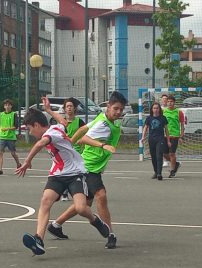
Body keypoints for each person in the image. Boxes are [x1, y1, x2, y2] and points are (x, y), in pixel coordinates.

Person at [16, 97, 110, 256]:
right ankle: (39, 239)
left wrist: (26, 161)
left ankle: (96, 221)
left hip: (75, 173)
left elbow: (40, 144)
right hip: (57, 174)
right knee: (45, 201)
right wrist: (49, 110)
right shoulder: (57, 126)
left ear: (37, 125)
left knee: (81, 208)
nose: (30, 133)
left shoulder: (51, 133)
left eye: (30, 129)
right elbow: (64, 122)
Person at [47, 91, 126, 249]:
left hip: (91, 166)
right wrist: (103, 145)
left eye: (121, 109)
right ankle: (110, 233)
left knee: (84, 204)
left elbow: (83, 130)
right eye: (116, 108)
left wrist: (70, 141)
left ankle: (55, 225)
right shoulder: (103, 124)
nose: (118, 112)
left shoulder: (103, 119)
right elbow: (85, 138)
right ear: (108, 107)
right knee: (101, 196)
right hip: (87, 167)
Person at [60, 97, 86, 201]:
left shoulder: (80, 122)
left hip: (78, 151)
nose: (69, 108)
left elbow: (86, 134)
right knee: (66, 172)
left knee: (80, 173)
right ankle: (65, 192)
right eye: (67, 106)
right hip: (65, 152)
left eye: (71, 106)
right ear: (64, 109)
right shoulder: (62, 123)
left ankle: (80, 192)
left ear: (74, 109)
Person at [142, 102, 170, 180]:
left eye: (157, 108)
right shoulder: (149, 118)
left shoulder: (163, 118)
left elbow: (166, 130)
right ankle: (155, 171)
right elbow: (145, 128)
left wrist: (168, 141)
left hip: (160, 139)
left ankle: (159, 173)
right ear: (152, 109)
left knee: (159, 156)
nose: (156, 110)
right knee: (153, 157)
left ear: (159, 109)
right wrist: (143, 137)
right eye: (154, 108)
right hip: (151, 139)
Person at [0, 99, 21, 175]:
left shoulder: (14, 114)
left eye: (9, 105)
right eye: (6, 105)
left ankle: (18, 164)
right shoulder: (1, 114)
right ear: (4, 106)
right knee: (0, 153)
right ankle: (0, 169)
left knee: (13, 153)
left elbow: (16, 126)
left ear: (11, 106)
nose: (7, 106)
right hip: (2, 136)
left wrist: (7, 128)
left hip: (11, 137)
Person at [162, 94, 185, 178]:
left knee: (172, 153)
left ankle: (172, 171)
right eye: (168, 101)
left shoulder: (179, 112)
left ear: (174, 103)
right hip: (165, 136)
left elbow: (182, 125)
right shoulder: (164, 111)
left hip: (175, 136)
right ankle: (176, 164)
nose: (169, 103)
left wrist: (181, 136)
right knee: (164, 154)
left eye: (171, 101)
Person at [160, 94, 170, 167]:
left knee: (169, 146)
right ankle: (166, 160)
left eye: (166, 99)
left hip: (170, 129)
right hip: (161, 129)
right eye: (163, 99)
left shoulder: (170, 108)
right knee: (162, 146)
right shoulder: (159, 108)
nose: (164, 100)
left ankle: (172, 160)